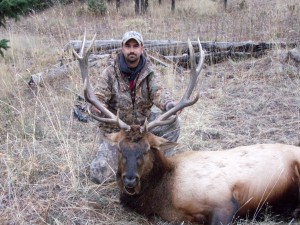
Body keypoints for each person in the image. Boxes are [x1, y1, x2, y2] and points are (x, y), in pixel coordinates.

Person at [89, 31, 180, 184]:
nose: (132, 50)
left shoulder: (149, 73)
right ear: (122, 48)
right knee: (100, 174)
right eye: (128, 46)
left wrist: (169, 104)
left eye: (135, 46)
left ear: (142, 48)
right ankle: (132, 158)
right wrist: (95, 105)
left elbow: (159, 92)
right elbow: (98, 95)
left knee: (173, 122)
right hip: (117, 131)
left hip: (142, 130)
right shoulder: (110, 72)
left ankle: (159, 162)